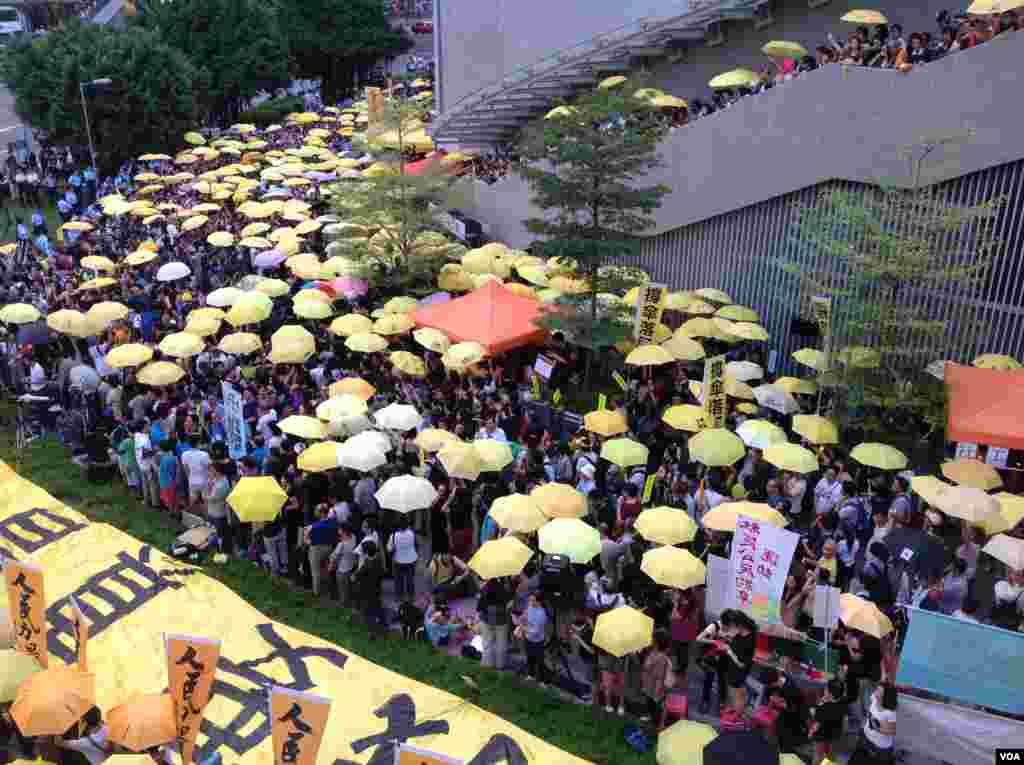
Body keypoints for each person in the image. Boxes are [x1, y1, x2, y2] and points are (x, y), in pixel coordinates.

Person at [849, 684, 898, 765]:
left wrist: (876, 727)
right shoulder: (874, 698)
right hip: (865, 738)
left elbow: (892, 731)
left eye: (879, 690)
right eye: (877, 689)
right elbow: (870, 709)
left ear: (885, 696)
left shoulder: (889, 712)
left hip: (879, 747)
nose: (876, 690)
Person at [760, 668, 807, 753]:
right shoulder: (775, 682)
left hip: (795, 716)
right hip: (785, 711)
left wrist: (781, 704)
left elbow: (796, 708)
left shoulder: (790, 688)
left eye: (768, 685)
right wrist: (771, 702)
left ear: (773, 683)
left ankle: (786, 750)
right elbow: (769, 696)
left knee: (782, 730)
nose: (767, 686)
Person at [477, 575, 513, 669]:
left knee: (487, 643)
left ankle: (488, 665)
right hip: (501, 621)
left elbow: (479, 608)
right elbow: (509, 605)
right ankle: (500, 665)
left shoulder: (484, 589)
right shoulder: (504, 589)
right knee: (501, 644)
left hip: (486, 620)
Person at [809, 679, 848, 764]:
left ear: (830, 694)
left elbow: (816, 724)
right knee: (830, 753)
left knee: (818, 755)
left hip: (821, 736)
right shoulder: (844, 702)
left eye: (826, 689)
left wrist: (810, 732)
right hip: (834, 734)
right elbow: (845, 719)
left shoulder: (823, 708)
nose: (824, 689)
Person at [640, 630, 674, 728]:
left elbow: (659, 676)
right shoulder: (653, 652)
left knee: (660, 706)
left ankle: (661, 724)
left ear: (656, 642)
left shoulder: (661, 658)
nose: (650, 639)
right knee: (650, 702)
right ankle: (650, 716)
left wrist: (657, 691)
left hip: (656, 687)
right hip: (650, 685)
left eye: (652, 638)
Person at [306, 504, 338, 597]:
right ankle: (328, 590)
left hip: (316, 549)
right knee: (326, 570)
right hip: (329, 549)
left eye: (316, 510)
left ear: (321, 513)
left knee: (315, 572)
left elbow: (308, 541)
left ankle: (316, 592)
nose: (315, 512)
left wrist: (306, 537)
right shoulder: (333, 523)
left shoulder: (313, 527)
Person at [517, 591, 549, 686]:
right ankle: (531, 675)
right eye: (530, 600)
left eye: (533, 600)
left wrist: (523, 628)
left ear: (539, 602)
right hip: (528, 638)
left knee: (540, 661)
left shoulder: (541, 614)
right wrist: (522, 618)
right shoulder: (530, 607)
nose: (530, 602)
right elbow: (525, 615)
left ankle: (543, 681)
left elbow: (536, 631)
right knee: (530, 658)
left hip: (537, 641)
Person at [203, 461, 233, 555]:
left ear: (217, 471)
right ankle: (218, 548)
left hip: (219, 513)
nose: (209, 472)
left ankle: (223, 551)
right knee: (214, 532)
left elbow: (209, 498)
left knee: (221, 534)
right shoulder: (215, 480)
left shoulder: (222, 485)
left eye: (211, 470)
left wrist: (206, 492)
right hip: (213, 512)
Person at [387, 515, 418, 603]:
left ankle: (399, 597)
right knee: (410, 579)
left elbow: (389, 548)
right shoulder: (412, 533)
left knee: (398, 580)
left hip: (398, 560)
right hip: (411, 559)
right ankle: (411, 597)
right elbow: (416, 545)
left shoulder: (393, 536)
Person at [328, 523, 358, 605]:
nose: (338, 530)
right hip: (351, 568)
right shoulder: (353, 538)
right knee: (349, 590)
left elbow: (334, 558)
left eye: (339, 529)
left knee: (342, 591)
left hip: (341, 570)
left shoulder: (341, 545)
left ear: (343, 531)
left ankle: (343, 606)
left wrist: (331, 566)